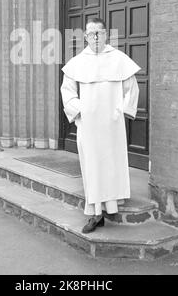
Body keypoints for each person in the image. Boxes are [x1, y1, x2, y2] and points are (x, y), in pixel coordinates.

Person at [60, 18, 141, 234]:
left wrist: (123, 111)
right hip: (88, 124)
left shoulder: (118, 59)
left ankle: (111, 205)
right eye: (91, 33)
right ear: (85, 37)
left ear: (106, 35)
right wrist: (80, 111)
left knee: (111, 163)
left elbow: (131, 88)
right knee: (93, 166)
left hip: (111, 124)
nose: (95, 37)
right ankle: (96, 214)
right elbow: (67, 91)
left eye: (99, 32)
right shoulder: (78, 62)